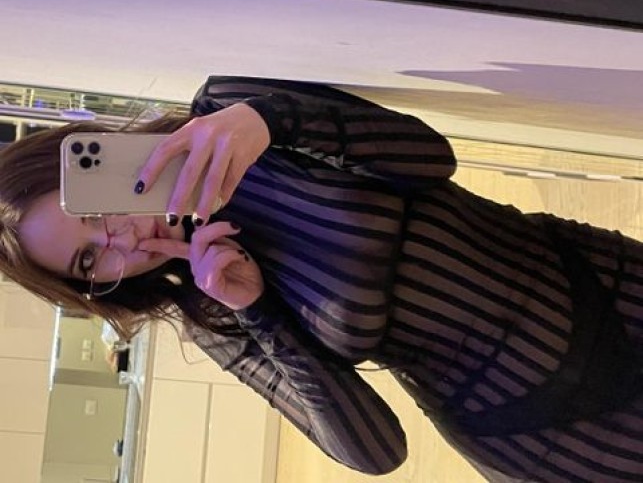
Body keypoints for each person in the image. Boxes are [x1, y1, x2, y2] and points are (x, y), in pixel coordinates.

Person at [1, 75, 643, 482]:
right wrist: (259, 311)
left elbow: (431, 157)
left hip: (605, 285)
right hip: (555, 434)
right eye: (90, 261)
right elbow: (376, 452)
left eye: (93, 213)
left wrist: (270, 121)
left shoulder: (225, 111)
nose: (118, 241)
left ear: (90, 160)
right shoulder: (217, 315)